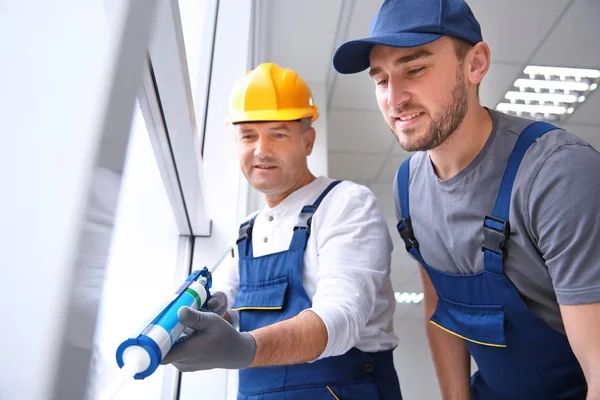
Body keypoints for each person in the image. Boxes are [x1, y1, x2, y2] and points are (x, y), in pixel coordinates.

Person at [332, 0, 600, 399]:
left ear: (475, 64)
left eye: (415, 69)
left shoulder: (556, 175)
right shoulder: (408, 186)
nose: (395, 98)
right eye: (382, 80)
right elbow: (440, 308)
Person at [161, 62, 403, 399]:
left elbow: (342, 317)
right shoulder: (246, 232)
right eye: (248, 135)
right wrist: (207, 317)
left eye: (278, 133)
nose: (261, 150)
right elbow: (225, 301)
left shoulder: (346, 203)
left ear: (308, 140)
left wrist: (245, 348)